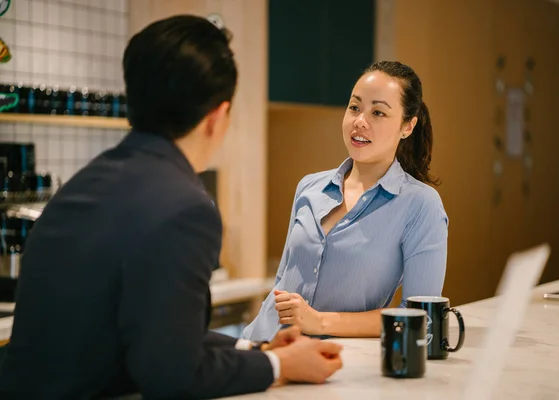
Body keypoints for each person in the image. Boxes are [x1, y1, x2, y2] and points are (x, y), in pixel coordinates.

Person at [0, 15, 342, 399]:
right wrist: (281, 366)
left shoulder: (84, 183)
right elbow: (171, 375)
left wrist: (254, 350)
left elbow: (154, 335)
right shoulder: (185, 208)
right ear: (217, 118)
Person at [243, 61, 449, 342]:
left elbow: (420, 317)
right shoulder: (310, 187)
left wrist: (319, 322)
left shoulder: (421, 205)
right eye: (355, 107)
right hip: (260, 346)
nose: (360, 121)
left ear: (407, 126)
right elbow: (282, 282)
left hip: (329, 366)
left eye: (378, 112)